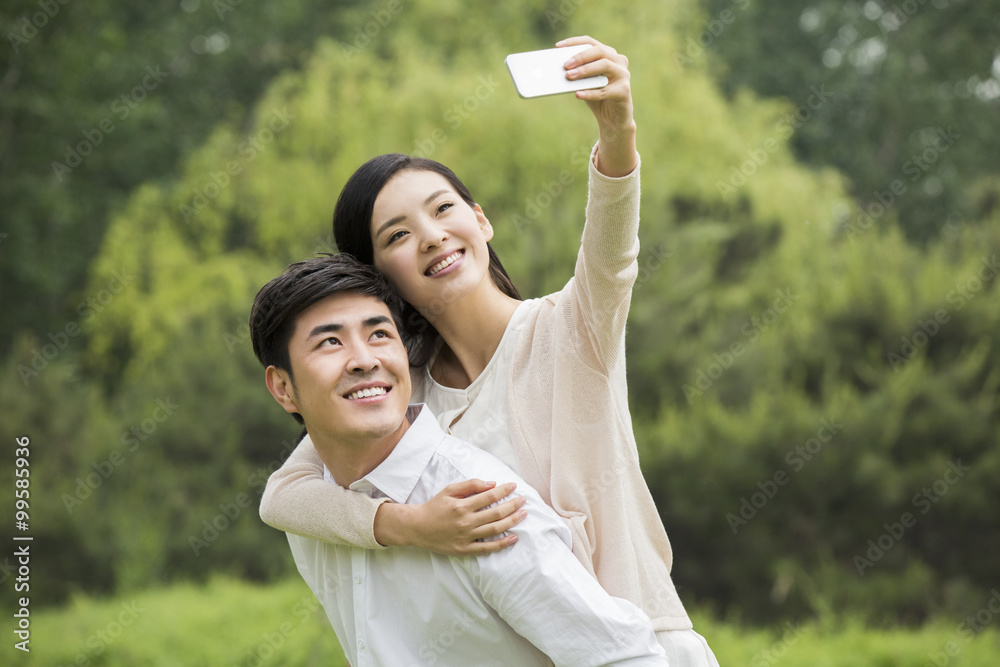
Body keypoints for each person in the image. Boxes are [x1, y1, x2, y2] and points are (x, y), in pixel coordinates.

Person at [260, 36, 719, 665]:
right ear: (376, 275)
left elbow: (613, 255)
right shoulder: (403, 389)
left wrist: (618, 129)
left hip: (637, 650)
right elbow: (283, 496)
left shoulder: (569, 330)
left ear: (481, 221)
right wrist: (406, 526)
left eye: (443, 209)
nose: (431, 237)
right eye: (397, 234)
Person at [249, 253, 668, 665]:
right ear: (283, 388)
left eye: (379, 334)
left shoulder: (481, 504)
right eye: (330, 342)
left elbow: (624, 657)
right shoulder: (315, 509)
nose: (364, 360)